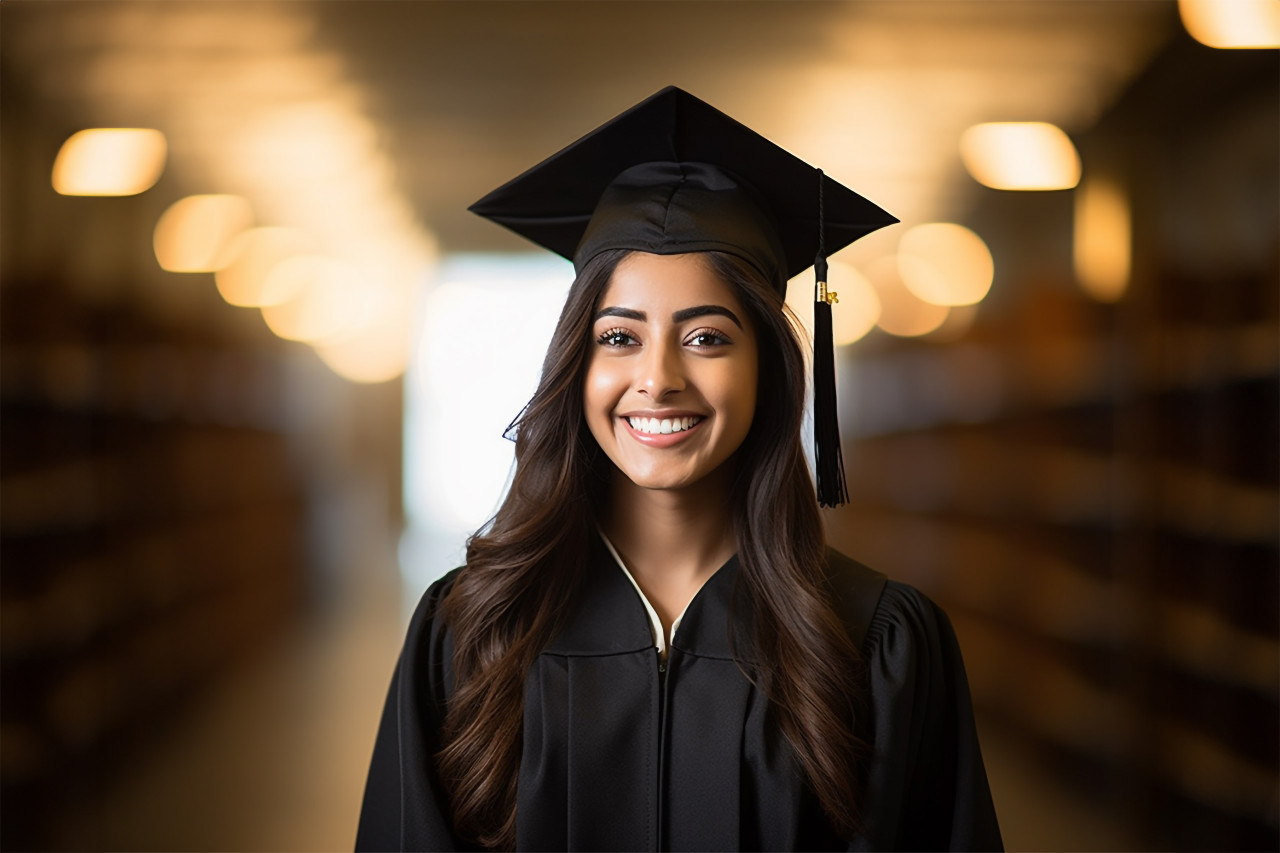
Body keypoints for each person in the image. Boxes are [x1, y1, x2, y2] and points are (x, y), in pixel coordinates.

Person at [356, 86, 1002, 852]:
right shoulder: (470, 634)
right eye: (619, 337)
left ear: (770, 368)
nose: (658, 377)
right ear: (576, 364)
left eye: (706, 338)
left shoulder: (877, 642)